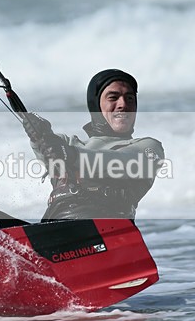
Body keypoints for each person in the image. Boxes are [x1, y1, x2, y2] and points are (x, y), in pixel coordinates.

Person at [22, 68, 165, 220]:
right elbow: (46, 151)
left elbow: (118, 162)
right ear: (96, 106)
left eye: (129, 98)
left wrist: (71, 155)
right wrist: (38, 136)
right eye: (113, 98)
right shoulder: (68, 143)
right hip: (55, 229)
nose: (123, 104)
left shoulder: (149, 147)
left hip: (108, 232)